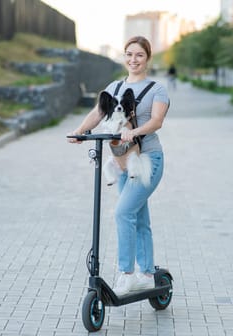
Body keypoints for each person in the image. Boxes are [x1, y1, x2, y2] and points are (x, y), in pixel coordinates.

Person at [67, 36, 169, 295]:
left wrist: (134, 133)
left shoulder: (157, 89)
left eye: (139, 55)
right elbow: (99, 113)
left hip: (148, 160)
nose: (133, 60)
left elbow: (156, 121)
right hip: (123, 161)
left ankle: (127, 274)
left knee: (123, 212)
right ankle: (147, 273)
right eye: (129, 54)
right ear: (124, 57)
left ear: (147, 58)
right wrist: (80, 131)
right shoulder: (115, 86)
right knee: (139, 217)